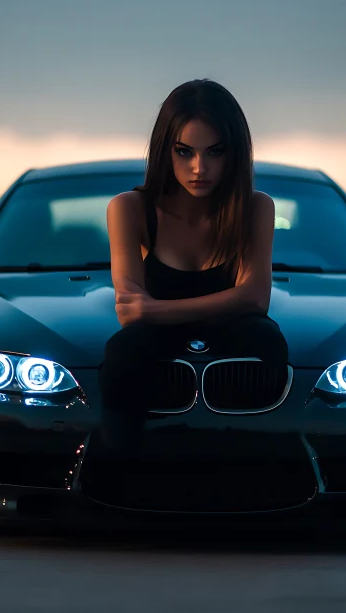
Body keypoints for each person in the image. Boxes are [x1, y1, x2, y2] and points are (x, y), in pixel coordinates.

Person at [97, 79, 289, 456]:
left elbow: (256, 299)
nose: (199, 168)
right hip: (151, 350)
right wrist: (228, 303)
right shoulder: (128, 209)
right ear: (164, 150)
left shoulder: (256, 207)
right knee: (124, 349)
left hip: (235, 350)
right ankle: (122, 472)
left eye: (215, 152)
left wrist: (156, 310)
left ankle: (258, 464)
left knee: (267, 340)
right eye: (184, 152)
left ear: (234, 153)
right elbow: (128, 312)